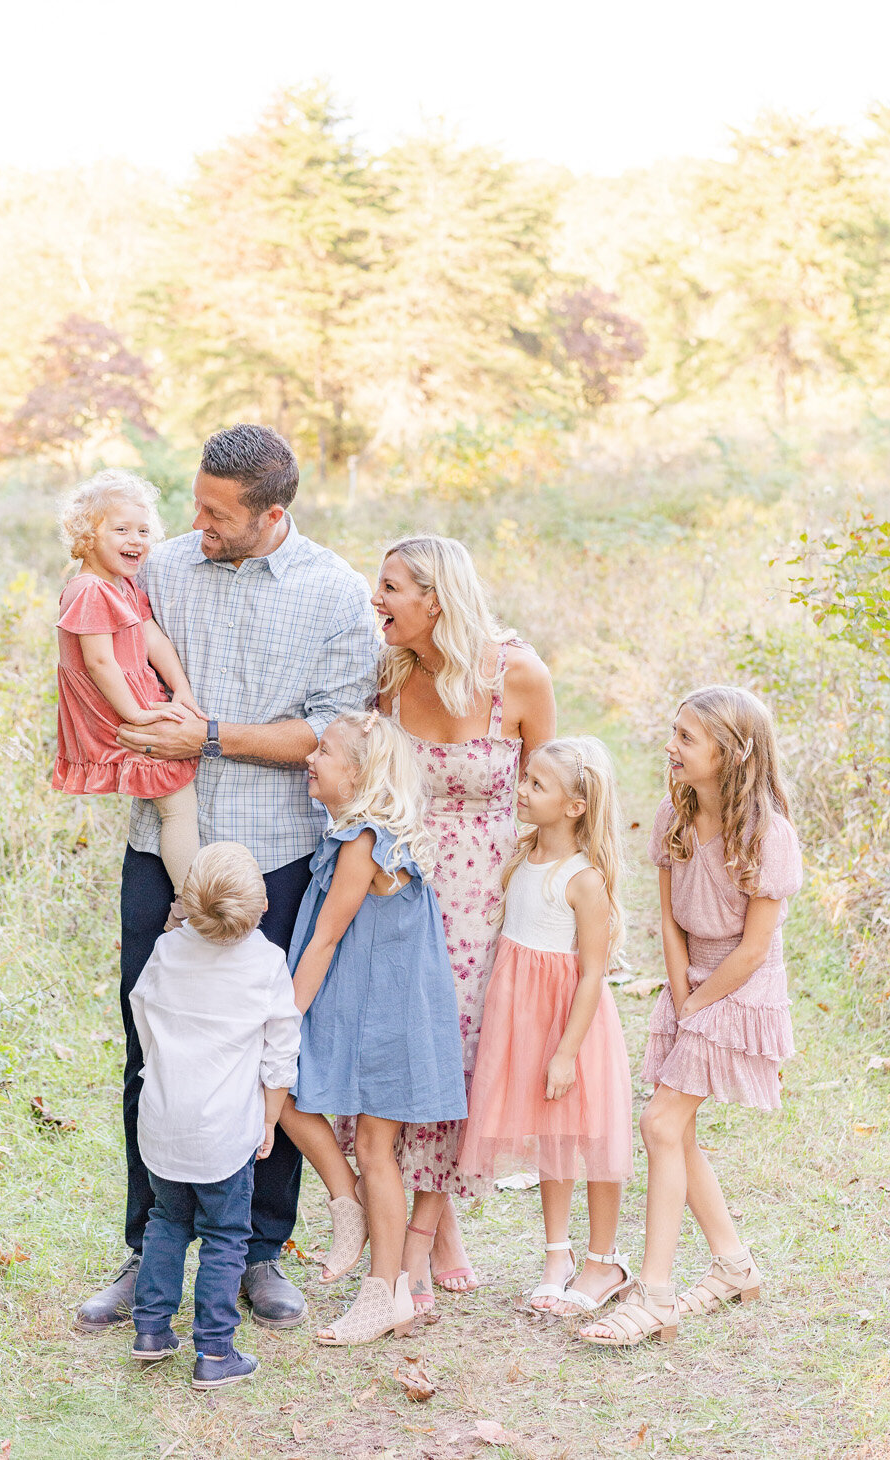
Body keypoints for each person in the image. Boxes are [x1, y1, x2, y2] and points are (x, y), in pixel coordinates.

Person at [74, 425, 378, 1335]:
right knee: (153, 1043)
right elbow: (92, 631)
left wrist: (206, 736)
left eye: (215, 513)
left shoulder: (334, 594)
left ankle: (256, 1251)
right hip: (161, 849)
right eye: (193, 502)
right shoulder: (158, 568)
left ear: (271, 514)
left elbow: (330, 735)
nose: (193, 523)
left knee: (269, 1048)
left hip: (278, 850)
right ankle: (149, 1245)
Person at [365, 535, 556, 1312]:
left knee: (465, 1053)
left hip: (487, 898)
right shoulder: (390, 674)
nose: (374, 601)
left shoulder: (518, 675)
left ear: (435, 599)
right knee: (405, 1050)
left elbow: (554, 793)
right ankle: (430, 1230)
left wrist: (558, 907)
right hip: (402, 891)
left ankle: (427, 1228)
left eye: (389, 589)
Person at [581, 685, 802, 1348]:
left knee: (659, 1120)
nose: (670, 747)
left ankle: (654, 1296)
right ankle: (734, 1264)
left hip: (740, 990)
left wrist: (702, 1006)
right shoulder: (672, 818)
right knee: (678, 1132)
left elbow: (755, 949)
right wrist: (679, 996)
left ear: (731, 755)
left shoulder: (767, 835)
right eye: (673, 732)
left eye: (686, 738)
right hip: (692, 984)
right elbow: (672, 922)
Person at [279, 711, 467, 1345]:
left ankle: (384, 1292)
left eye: (324, 751)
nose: (311, 758)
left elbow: (326, 938)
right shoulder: (352, 836)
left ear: (357, 772)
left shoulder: (365, 843)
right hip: (358, 1009)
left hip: (387, 1018)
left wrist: (283, 1022)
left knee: (372, 1148)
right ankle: (347, 1200)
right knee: (288, 1099)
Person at [458, 737, 634, 1317]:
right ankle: (556, 1255)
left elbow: (591, 975)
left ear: (575, 806)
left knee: (594, 1141)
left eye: (537, 785)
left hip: (571, 1027)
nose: (522, 791)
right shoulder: (520, 854)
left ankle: (602, 1258)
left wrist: (565, 1052)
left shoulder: (583, 879)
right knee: (553, 1141)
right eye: (524, 779)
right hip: (524, 1020)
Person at [129, 843, 300, 1389]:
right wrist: (269, 1121)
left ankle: (152, 1331)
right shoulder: (267, 964)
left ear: (187, 902)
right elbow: (280, 1057)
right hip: (226, 1130)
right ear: (264, 905)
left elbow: (143, 1014)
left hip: (162, 1117)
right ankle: (216, 1351)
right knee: (227, 1236)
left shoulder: (166, 951)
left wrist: (160, 1070)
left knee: (167, 1222)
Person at [53, 471, 201, 910]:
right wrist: (137, 715)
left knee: (177, 800)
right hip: (113, 711)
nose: (135, 539)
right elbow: (98, 662)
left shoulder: (123, 584)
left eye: (142, 530)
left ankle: (189, 896)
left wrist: (182, 689)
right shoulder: (88, 590)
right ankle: (190, 903)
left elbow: (151, 635)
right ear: (87, 535)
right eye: (120, 529)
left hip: (133, 698)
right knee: (177, 804)